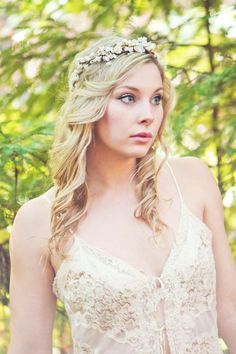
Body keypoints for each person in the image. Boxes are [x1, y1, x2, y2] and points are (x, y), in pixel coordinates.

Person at [8, 35, 236, 354]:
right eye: (128, 98)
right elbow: (29, 348)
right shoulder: (40, 220)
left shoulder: (192, 179)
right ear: (91, 104)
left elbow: (229, 309)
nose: (148, 114)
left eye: (156, 98)